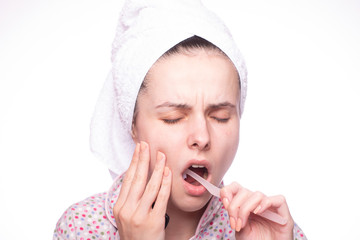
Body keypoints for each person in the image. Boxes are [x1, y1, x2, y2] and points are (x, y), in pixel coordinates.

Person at [53, 0, 307, 239]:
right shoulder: (81, 227)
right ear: (132, 124)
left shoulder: (273, 230)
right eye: (174, 118)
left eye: (220, 117)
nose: (202, 137)